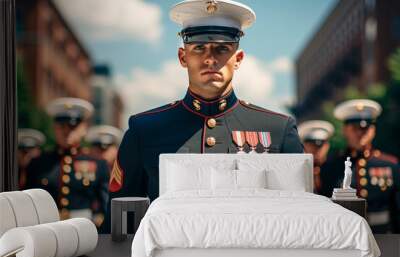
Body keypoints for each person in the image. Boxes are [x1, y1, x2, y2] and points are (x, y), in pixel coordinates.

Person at [103, 0, 304, 232]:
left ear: (237, 59)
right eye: (198, 48)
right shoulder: (145, 129)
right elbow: (118, 224)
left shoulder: (277, 129)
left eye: (222, 48)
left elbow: (301, 218)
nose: (210, 59)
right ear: (182, 57)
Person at [25, 97, 109, 229]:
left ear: (84, 129)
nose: (66, 131)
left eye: (73, 126)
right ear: (54, 128)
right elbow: (28, 204)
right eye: (61, 125)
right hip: (46, 230)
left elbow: (105, 207)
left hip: (84, 230)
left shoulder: (99, 164)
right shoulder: (38, 163)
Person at [322, 99, 400, 233]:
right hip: (343, 236)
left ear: (373, 130)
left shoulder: (390, 165)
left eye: (365, 128)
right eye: (354, 128)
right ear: (345, 130)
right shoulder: (330, 167)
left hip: (383, 236)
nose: (360, 133)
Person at [298, 120, 334, 194]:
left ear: (327, 146)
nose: (317, 150)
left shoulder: (337, 168)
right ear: (304, 146)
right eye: (312, 145)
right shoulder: (297, 170)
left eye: (320, 145)